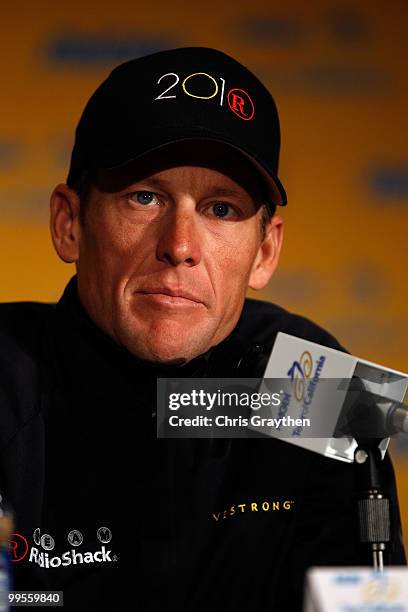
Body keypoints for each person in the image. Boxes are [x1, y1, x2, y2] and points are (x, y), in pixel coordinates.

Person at [0, 47, 405, 612]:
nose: (180, 246)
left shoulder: (323, 388)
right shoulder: (5, 373)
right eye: (145, 197)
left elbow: (369, 607)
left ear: (265, 250)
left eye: (220, 210)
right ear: (70, 224)